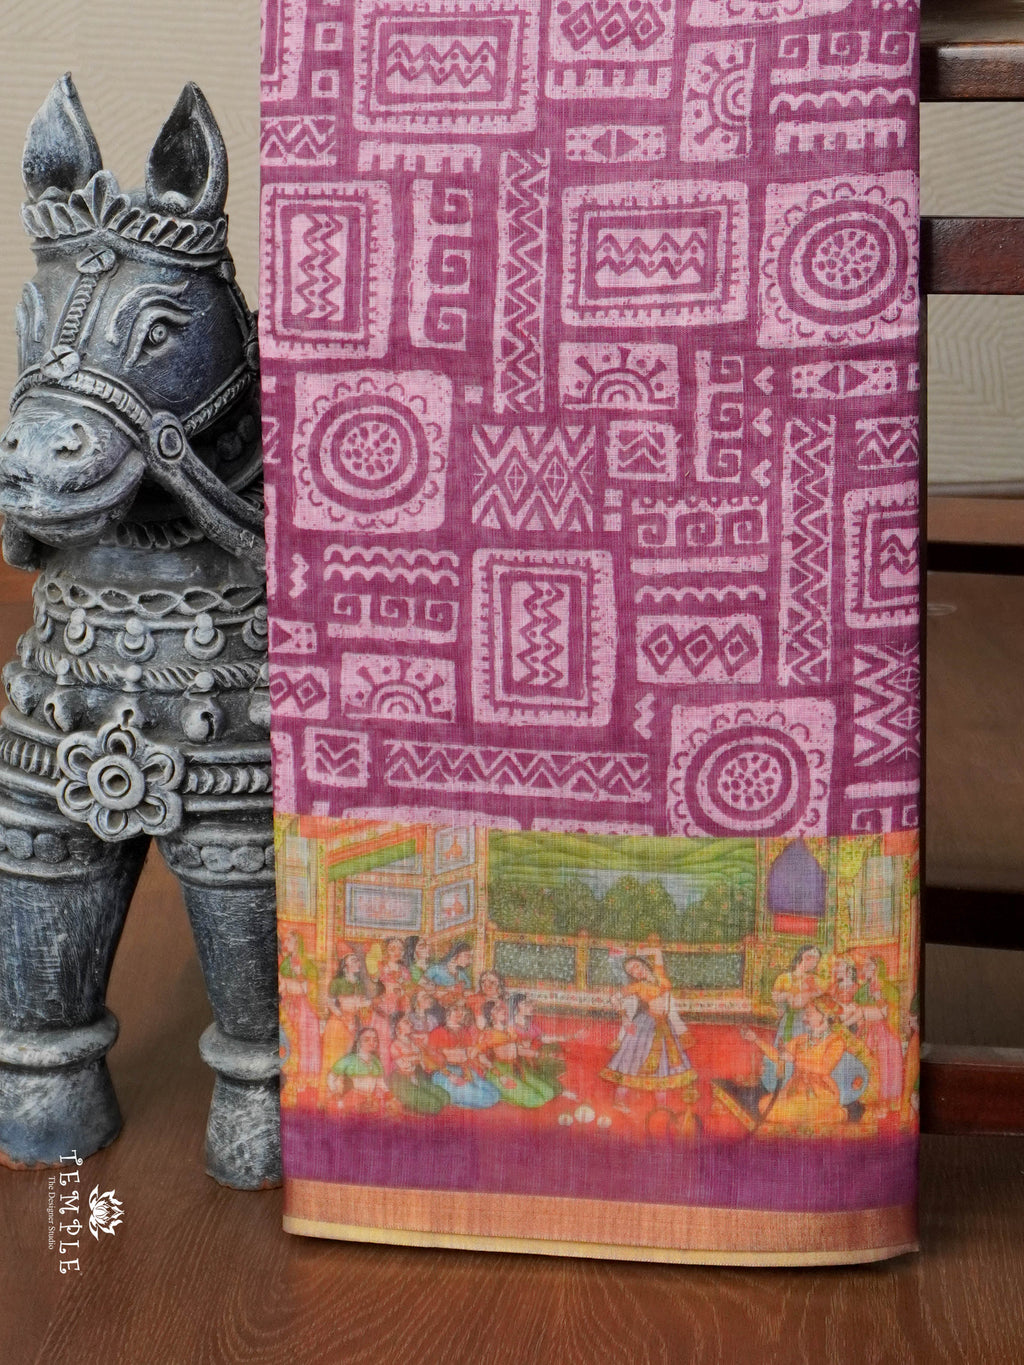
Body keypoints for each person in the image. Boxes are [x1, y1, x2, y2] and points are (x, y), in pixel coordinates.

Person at [600, 945, 696, 1112]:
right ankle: (619, 1101)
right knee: (632, 1062)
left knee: (662, 1064)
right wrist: (625, 1019)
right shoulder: (638, 986)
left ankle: (661, 1106)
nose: (636, 971)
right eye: (631, 971)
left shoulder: (659, 975)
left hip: (664, 1026)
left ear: (644, 963)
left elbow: (657, 952)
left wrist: (637, 951)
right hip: (643, 1027)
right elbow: (614, 998)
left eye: (636, 966)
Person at [741, 998, 856, 1135]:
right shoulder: (801, 1040)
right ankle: (826, 1117)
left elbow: (824, 1069)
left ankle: (837, 1114)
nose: (804, 1018)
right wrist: (756, 1039)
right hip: (795, 1091)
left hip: (821, 1093)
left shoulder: (835, 1041)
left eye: (809, 1014)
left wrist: (795, 1059)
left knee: (783, 1112)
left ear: (824, 1016)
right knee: (764, 1105)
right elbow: (779, 1057)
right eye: (805, 1014)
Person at [479, 1000, 556, 1107]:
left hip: (516, 1067)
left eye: (502, 1008)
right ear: (490, 1015)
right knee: (535, 1100)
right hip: (499, 1071)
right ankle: (500, 1091)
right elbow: (480, 1056)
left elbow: (519, 1050)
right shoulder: (487, 1033)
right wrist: (500, 1076)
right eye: (497, 1009)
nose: (503, 1011)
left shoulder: (510, 1029)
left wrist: (540, 1055)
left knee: (549, 1093)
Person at [853, 955, 904, 1114]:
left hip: (884, 1032)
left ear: (876, 968)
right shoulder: (862, 989)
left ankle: (884, 1103)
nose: (864, 969)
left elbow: (890, 1013)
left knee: (883, 1065)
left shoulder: (888, 988)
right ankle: (867, 1101)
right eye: (864, 966)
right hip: (866, 1029)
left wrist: (879, 1000)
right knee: (866, 1064)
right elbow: (857, 1009)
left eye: (868, 965)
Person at [429, 1001, 501, 1109]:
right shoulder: (438, 1032)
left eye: (462, 1010)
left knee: (495, 1094)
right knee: (485, 1099)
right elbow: (432, 1059)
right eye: (455, 1009)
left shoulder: (464, 1032)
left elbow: (472, 1055)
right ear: (448, 1012)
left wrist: (495, 1072)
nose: (459, 1013)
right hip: (444, 1073)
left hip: (463, 1069)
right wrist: (450, 1075)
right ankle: (455, 1098)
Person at [278, 931, 321, 1098]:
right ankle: (291, 1078)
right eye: (285, 941)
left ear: (297, 943)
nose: (286, 944)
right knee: (289, 1039)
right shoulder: (284, 964)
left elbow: (312, 988)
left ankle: (305, 1079)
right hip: (288, 1005)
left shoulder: (308, 964)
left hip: (304, 1007)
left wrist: (298, 979)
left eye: (289, 941)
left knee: (304, 1039)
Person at [387, 1013, 449, 1115]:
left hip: (418, 1077)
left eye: (409, 1022)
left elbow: (422, 1062)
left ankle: (414, 1099)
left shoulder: (413, 1042)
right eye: (406, 1022)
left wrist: (418, 1059)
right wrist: (417, 1059)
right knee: (435, 1105)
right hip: (402, 1080)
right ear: (397, 1028)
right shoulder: (395, 1045)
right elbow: (405, 1066)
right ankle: (404, 1104)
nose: (411, 1024)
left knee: (445, 1097)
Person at [327, 1027, 388, 1111]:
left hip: (371, 1100)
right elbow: (331, 1076)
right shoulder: (350, 1059)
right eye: (366, 1040)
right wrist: (335, 1091)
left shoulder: (376, 1062)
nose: (372, 1043)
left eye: (375, 1040)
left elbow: (381, 1083)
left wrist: (389, 1095)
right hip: (354, 1099)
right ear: (359, 1042)